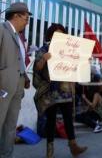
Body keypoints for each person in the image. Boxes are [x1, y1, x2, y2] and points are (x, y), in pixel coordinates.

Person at [33, 23, 87, 158]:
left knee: (69, 119)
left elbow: (77, 67)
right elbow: (37, 68)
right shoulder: (44, 49)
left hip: (66, 90)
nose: (60, 36)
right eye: (57, 33)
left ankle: (73, 146)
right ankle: (49, 151)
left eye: (62, 33)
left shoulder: (70, 51)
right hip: (51, 92)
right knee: (51, 121)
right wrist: (44, 59)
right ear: (50, 35)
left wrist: (84, 61)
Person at [0, 2, 31, 158]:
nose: (27, 22)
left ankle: (6, 155)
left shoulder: (20, 38)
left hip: (18, 85)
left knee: (11, 125)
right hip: (3, 87)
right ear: (16, 15)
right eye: (26, 18)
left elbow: (19, 61)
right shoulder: (2, 30)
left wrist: (25, 76)